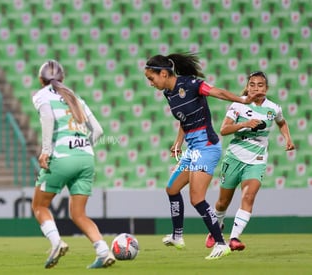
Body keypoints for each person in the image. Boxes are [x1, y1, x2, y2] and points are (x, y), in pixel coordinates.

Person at [144, 52, 262, 260]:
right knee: (172, 188)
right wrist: (178, 141)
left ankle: (220, 243)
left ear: (163, 73)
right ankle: (177, 236)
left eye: (151, 78)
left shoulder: (191, 84)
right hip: (193, 147)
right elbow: (184, 118)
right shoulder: (169, 94)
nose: (150, 83)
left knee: (197, 199)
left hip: (207, 146)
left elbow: (216, 92)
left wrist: (242, 99)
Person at [31, 60, 115, 269]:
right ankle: (104, 252)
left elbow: (48, 120)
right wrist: (83, 146)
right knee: (78, 214)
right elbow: (98, 131)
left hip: (61, 157)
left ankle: (56, 242)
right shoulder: (75, 98)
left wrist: (46, 152)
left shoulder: (42, 95)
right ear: (63, 78)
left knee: (39, 205)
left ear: (41, 79)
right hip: (86, 157)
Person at [205, 71, 295, 251]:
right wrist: (244, 124)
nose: (256, 88)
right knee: (223, 202)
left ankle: (234, 238)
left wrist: (288, 138)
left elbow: (281, 122)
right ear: (247, 87)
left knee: (248, 195)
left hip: (257, 160)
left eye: (260, 85)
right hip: (234, 157)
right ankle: (218, 227)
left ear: (266, 88)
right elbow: (223, 130)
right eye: (252, 84)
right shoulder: (237, 105)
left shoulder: (273, 108)